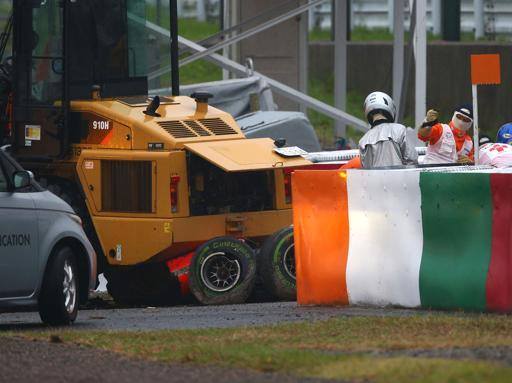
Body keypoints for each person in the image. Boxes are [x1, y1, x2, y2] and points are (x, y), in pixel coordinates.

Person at [358, 91, 418, 168]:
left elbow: (365, 169)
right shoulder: (399, 130)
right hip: (399, 178)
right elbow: (412, 160)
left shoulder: (363, 141)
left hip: (374, 179)